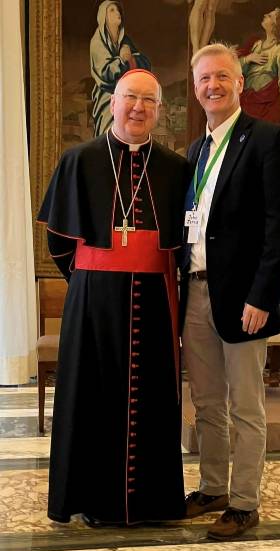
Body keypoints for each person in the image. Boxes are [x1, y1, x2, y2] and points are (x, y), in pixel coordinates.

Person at [38, 69, 191, 526]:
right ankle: (93, 499)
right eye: (130, 98)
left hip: (155, 297)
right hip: (94, 301)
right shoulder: (79, 159)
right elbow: (60, 243)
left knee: (154, 398)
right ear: (112, 102)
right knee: (93, 394)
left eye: (149, 100)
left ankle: (155, 502)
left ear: (159, 111)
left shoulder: (176, 168)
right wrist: (93, 282)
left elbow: (186, 243)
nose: (138, 108)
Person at [181, 43, 280, 540]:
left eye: (222, 77)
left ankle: (245, 501)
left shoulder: (268, 140)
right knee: (207, 403)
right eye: (205, 78)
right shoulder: (196, 149)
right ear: (196, 87)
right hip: (196, 295)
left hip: (244, 300)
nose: (213, 85)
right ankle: (213, 488)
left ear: (240, 83)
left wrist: (262, 296)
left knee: (245, 406)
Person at [90, 1, 151, 136]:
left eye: (118, 10)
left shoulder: (125, 40)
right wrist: (121, 60)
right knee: (107, 136)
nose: (117, 13)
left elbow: (144, 64)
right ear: (103, 16)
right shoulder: (98, 41)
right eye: (112, 10)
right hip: (107, 98)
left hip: (127, 97)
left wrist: (131, 58)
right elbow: (104, 72)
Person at [239, 8, 280, 127]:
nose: (265, 15)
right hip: (246, 103)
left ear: (274, 25)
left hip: (265, 106)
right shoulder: (256, 45)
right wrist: (248, 59)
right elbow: (237, 71)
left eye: (269, 16)